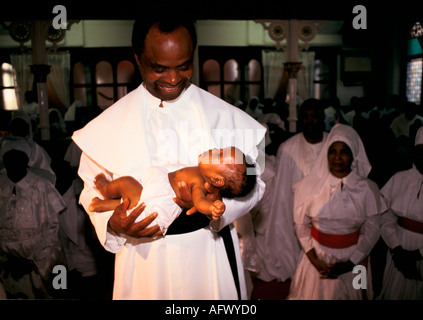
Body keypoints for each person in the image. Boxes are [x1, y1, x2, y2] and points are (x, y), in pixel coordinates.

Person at [71, 12, 266, 300]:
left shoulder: (225, 116)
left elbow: (256, 183)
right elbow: (89, 190)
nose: (173, 79)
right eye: (159, 68)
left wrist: (215, 201)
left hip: (208, 254)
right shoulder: (108, 124)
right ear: (137, 58)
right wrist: (112, 223)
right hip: (144, 260)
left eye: (184, 66)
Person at [288, 124, 387, 300]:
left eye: (344, 152)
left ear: (353, 155)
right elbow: (301, 225)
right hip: (317, 257)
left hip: (357, 260)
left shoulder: (368, 189)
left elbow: (373, 230)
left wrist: (353, 261)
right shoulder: (308, 186)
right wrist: (314, 259)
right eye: (332, 151)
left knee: (357, 294)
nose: (337, 157)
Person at [89, 146, 257, 229]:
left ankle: (106, 191)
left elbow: (198, 203)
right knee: (130, 201)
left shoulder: (199, 184)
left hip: (159, 200)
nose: (214, 149)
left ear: (217, 181)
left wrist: (212, 207)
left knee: (125, 184)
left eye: (219, 154)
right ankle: (101, 204)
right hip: (156, 190)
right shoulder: (199, 174)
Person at [256, 98, 328, 283]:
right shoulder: (287, 148)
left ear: (322, 118)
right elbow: (282, 192)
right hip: (297, 213)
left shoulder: (333, 145)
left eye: (314, 116)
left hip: (328, 214)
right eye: (305, 117)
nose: (309, 121)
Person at [0, 138, 66, 298]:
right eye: (9, 158)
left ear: (27, 160)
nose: (14, 163)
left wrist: (32, 261)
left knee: (57, 290)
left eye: (19, 158)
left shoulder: (42, 187)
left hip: (44, 260)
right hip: (7, 261)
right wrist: (6, 259)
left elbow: (52, 230)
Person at [377, 126, 423, 300]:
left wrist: (417, 254)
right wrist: (397, 250)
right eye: (419, 151)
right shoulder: (399, 179)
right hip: (398, 248)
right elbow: (384, 217)